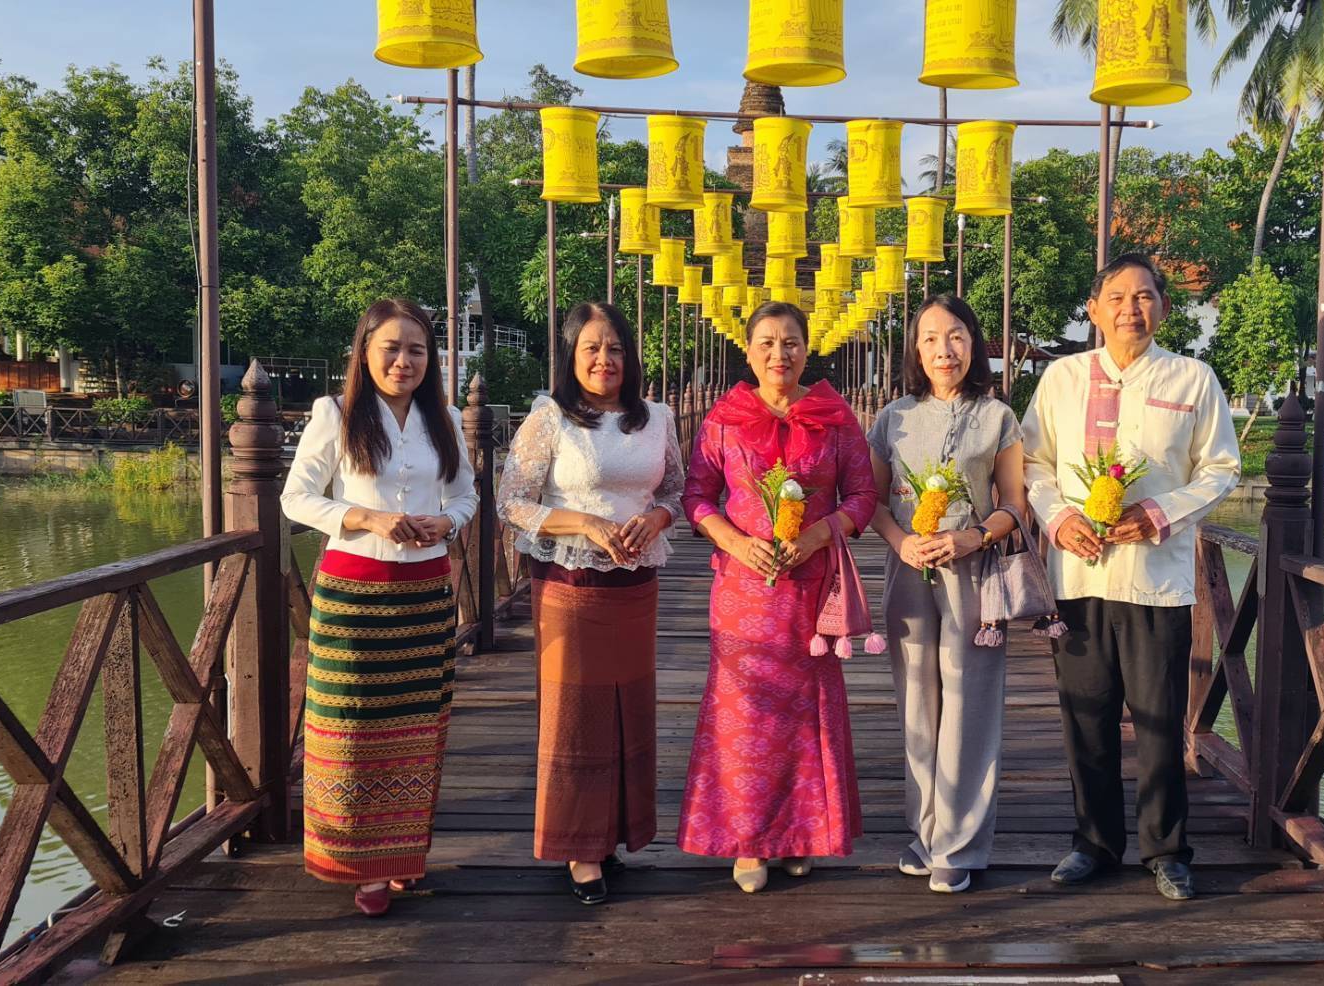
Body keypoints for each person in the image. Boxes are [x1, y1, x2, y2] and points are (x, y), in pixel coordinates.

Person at [1019, 253, 1241, 901]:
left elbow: (1221, 468)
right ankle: (1094, 842)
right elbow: (1032, 462)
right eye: (1116, 298)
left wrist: (1159, 513)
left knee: (1159, 719)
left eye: (1144, 297)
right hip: (1078, 580)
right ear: (1093, 310)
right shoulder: (1062, 378)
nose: (1130, 310)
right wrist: (1056, 517)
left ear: (1163, 308)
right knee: (1084, 718)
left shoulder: (1191, 378)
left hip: (1156, 580)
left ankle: (1166, 850)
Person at [281, 297, 479, 917]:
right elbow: (297, 498)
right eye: (390, 348)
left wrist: (442, 523)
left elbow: (468, 497)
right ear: (364, 354)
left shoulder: (442, 416)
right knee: (352, 733)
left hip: (424, 601)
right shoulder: (336, 414)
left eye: (416, 350)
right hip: (352, 600)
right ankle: (359, 866)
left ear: (431, 359)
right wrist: (365, 517)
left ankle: (404, 859)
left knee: (417, 734)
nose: (403, 360)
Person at [678, 301, 879, 893]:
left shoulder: (834, 417)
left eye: (790, 342)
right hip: (742, 590)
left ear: (807, 349)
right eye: (765, 342)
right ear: (747, 351)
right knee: (745, 716)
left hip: (809, 593)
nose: (778, 354)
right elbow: (696, 494)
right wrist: (735, 542)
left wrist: (820, 534)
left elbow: (863, 494)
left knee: (805, 718)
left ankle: (802, 836)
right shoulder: (725, 418)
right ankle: (749, 840)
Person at [497, 302, 683, 906]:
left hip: (637, 584)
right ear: (571, 356)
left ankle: (616, 835)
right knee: (577, 713)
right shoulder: (550, 417)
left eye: (616, 350)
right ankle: (579, 847)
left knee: (630, 707)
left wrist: (655, 518)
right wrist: (585, 524)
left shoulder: (658, 417)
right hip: (572, 583)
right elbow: (513, 501)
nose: (605, 360)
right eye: (592, 349)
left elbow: (676, 490)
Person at [867, 295, 1026, 894]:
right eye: (931, 338)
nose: (944, 350)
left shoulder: (998, 417)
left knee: (969, 703)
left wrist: (972, 535)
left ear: (974, 343)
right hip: (908, 571)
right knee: (917, 701)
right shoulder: (894, 418)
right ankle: (925, 830)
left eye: (956, 336)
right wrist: (901, 541)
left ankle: (959, 843)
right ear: (915, 348)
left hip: (974, 573)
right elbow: (875, 503)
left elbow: (1015, 504)